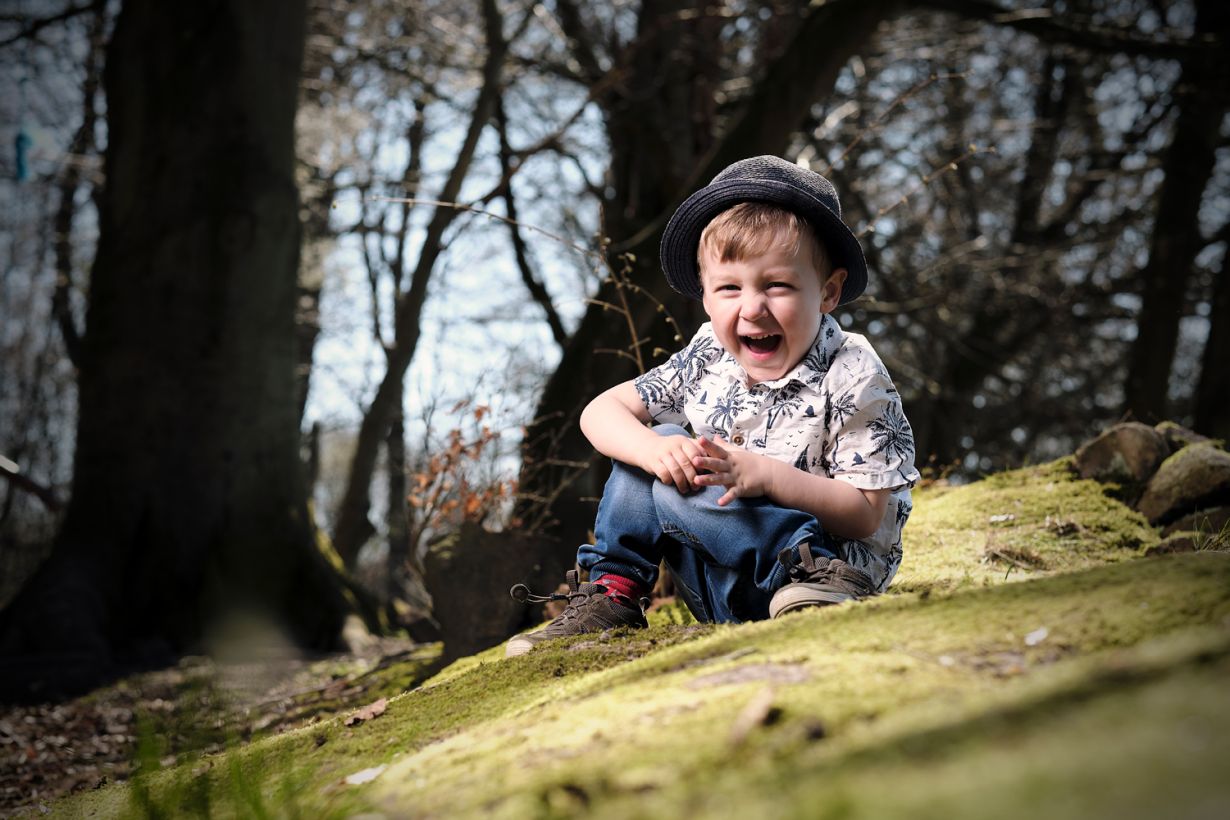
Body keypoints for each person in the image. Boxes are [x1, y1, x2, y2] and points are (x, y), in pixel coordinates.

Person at [506, 155, 919, 658]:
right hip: (721, 583)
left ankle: (800, 567)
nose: (751, 308)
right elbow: (599, 412)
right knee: (654, 446)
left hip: (819, 583)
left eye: (778, 285)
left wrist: (767, 477)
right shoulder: (709, 355)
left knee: (675, 456)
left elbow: (865, 516)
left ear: (828, 292)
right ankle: (612, 593)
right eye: (729, 288)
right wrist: (651, 452)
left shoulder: (853, 371)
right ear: (705, 296)